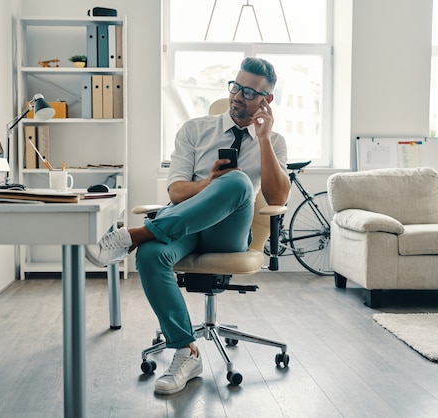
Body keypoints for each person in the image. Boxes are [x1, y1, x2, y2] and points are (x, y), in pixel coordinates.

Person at [86, 57, 290, 395]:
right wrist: (209, 183)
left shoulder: (275, 141)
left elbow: (277, 196)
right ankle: (185, 352)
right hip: (185, 225)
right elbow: (176, 191)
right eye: (235, 87)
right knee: (151, 255)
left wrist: (263, 138)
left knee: (239, 182)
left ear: (267, 100)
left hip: (229, 233)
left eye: (250, 92)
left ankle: (135, 234)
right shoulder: (195, 129)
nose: (238, 96)